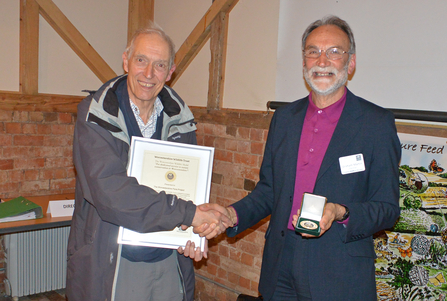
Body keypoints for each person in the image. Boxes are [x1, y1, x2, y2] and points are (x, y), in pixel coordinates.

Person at [198, 15, 401, 301]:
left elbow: (387, 208)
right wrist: (232, 215)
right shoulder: (284, 119)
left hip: (339, 273)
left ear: (350, 63)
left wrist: (340, 212)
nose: (322, 60)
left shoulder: (375, 124)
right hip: (280, 266)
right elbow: (269, 191)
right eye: (313, 51)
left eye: (334, 52)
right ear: (304, 62)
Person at [66, 24, 230, 301]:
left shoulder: (180, 120)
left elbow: (186, 193)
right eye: (141, 60)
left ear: (170, 72)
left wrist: (194, 234)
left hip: (167, 263)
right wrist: (190, 214)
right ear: (126, 60)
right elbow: (111, 193)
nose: (149, 73)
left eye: (160, 65)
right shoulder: (96, 115)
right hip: (113, 264)